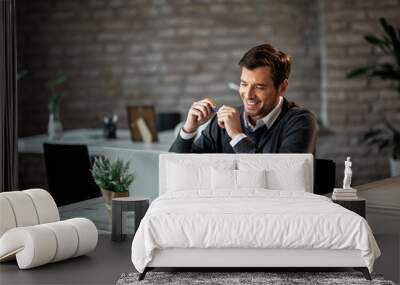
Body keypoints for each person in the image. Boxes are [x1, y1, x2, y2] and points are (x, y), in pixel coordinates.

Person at [169, 43, 318, 154]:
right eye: (244, 84)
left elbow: (281, 180)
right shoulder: (221, 122)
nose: (248, 95)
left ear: (283, 87)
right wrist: (188, 130)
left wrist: (237, 136)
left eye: (259, 87)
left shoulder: (301, 121)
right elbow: (176, 170)